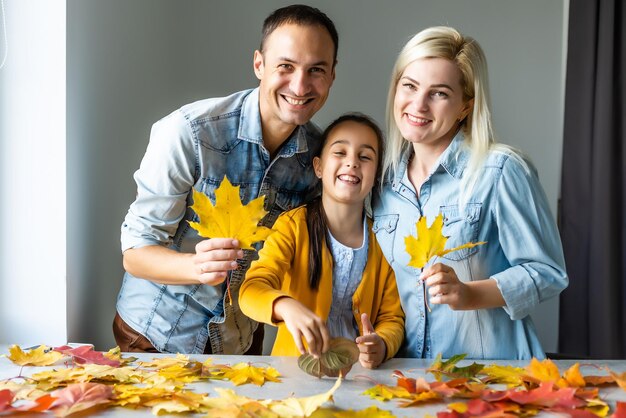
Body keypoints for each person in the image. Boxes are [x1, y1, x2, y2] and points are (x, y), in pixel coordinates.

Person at [113, 4, 338, 355]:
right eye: (286, 66)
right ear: (259, 64)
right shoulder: (188, 132)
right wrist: (195, 266)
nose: (300, 84)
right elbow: (136, 254)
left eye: (316, 70)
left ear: (332, 76)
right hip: (156, 336)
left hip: (241, 341)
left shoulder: (319, 159)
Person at [372, 26, 568, 360]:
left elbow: (548, 272)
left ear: (465, 106)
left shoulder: (501, 170)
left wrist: (469, 294)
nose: (418, 104)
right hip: (411, 379)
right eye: (410, 86)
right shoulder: (383, 184)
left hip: (494, 376)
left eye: (440, 93)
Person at [239, 113, 405, 369]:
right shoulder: (292, 227)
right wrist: (286, 306)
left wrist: (381, 343)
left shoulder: (384, 239)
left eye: (365, 156)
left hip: (361, 377)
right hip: (295, 376)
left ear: (376, 175)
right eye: (340, 152)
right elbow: (251, 290)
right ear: (318, 166)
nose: (352, 163)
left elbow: (392, 317)